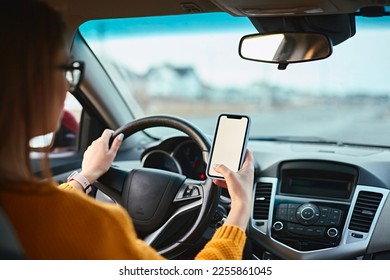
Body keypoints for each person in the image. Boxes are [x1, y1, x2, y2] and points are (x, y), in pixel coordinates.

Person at [0, 0, 254, 260]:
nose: (67, 86)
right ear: (26, 81)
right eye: (65, 69)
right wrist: (240, 207)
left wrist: (86, 175)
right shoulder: (93, 225)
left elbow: (47, 212)